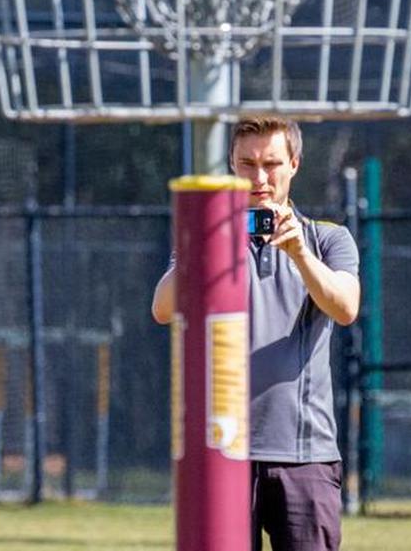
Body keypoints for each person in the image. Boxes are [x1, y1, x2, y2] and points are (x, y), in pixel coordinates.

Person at [151, 116, 360, 551]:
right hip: (224, 452)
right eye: (246, 163)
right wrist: (209, 241)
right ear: (231, 163)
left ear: (294, 164)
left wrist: (299, 253)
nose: (259, 177)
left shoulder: (327, 240)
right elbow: (162, 308)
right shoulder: (208, 241)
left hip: (305, 454)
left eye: (272, 163)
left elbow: (345, 308)